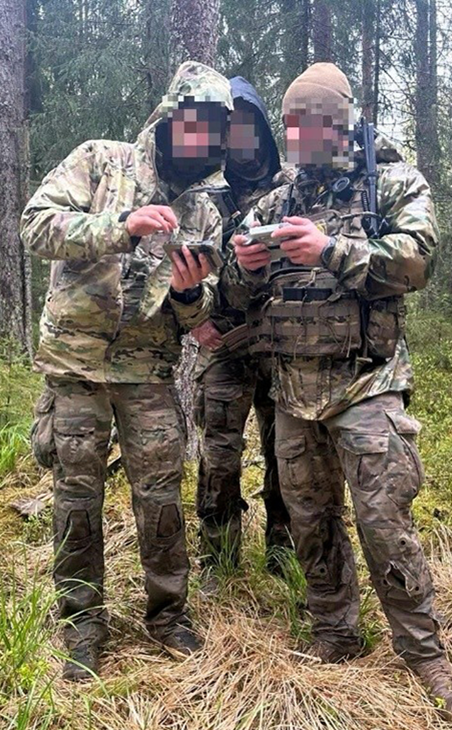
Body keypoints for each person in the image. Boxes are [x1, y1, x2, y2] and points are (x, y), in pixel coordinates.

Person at [173, 62, 452, 722]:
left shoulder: (391, 180)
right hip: (292, 389)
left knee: (383, 520)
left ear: (339, 121)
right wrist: (244, 270)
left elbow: (417, 261)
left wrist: (331, 250)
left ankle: (425, 655)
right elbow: (233, 302)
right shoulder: (278, 198)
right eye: (289, 123)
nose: (297, 134)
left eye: (309, 122)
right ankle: (335, 632)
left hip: (366, 384)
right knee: (310, 521)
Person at [21, 61, 229, 682]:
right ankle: (81, 624)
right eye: (195, 125)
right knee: (76, 495)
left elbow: (201, 312)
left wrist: (192, 295)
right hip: (77, 368)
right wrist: (121, 227)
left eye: (215, 132)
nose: (204, 141)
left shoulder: (203, 212)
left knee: (161, 495)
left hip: (148, 373)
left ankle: (168, 615)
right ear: (169, 119)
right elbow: (36, 226)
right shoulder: (100, 162)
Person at [186, 77, 294, 582]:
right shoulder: (207, 196)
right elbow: (180, 270)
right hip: (226, 346)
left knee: (288, 454)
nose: (241, 141)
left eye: (249, 128)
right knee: (218, 456)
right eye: (231, 130)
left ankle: (285, 551)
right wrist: (194, 320)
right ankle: (219, 559)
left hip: (285, 346)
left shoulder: (293, 188)